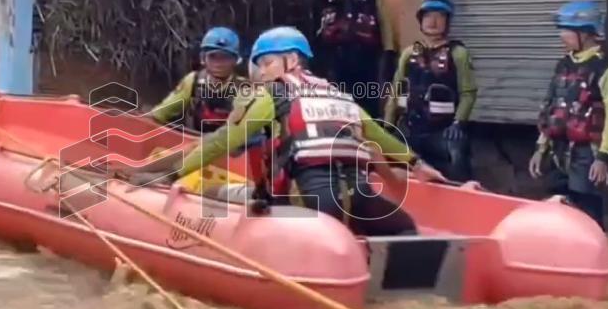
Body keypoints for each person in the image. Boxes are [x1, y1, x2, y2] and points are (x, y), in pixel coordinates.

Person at [127, 26, 446, 237]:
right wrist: (418, 165)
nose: (262, 72)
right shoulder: (337, 93)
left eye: (266, 63)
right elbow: (377, 133)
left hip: (307, 204)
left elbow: (223, 141)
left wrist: (169, 176)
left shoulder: (271, 95)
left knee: (209, 197)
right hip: (360, 201)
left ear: (291, 60)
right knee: (406, 229)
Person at [529, 1, 608, 229]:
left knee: (586, 209)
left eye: (567, 30)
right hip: (558, 149)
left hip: (586, 153)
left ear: (586, 32)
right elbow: (551, 106)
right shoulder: (563, 65)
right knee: (557, 205)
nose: (562, 36)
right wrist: (540, 147)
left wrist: (603, 157)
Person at [384, 0, 477, 182]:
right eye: (427, 16)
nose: (432, 21)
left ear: (447, 22)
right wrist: (388, 124)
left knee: (456, 151)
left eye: (439, 16)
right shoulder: (409, 53)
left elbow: (468, 93)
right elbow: (397, 90)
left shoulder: (458, 53)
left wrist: (458, 122)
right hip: (410, 128)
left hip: (441, 132)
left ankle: (461, 194)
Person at [310, 0, 397, 118]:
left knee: (366, 101)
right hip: (336, 53)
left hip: (365, 52)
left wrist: (389, 49)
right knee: (339, 98)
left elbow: (382, 14)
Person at [150, 27, 250, 134]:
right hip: (193, 144)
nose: (218, 63)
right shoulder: (193, 81)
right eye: (213, 57)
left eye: (225, 58)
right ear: (203, 58)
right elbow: (160, 113)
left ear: (235, 61)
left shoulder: (244, 88)